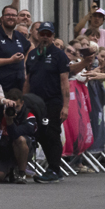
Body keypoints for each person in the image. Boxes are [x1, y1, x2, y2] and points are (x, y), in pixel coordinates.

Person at [24, 22, 70, 183]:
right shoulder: (32, 55)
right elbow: (28, 79)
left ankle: (54, 169)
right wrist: (24, 100)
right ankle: (52, 167)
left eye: (48, 34)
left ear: (53, 36)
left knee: (52, 133)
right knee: (41, 134)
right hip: (35, 102)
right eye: (42, 33)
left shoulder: (59, 55)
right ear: (37, 34)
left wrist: (65, 106)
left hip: (53, 101)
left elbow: (65, 82)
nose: (44, 37)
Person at [0, 89, 37, 184]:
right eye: (12, 106)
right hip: (4, 149)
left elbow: (15, 134)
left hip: (21, 151)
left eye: (17, 106)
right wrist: (2, 102)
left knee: (20, 140)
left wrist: (9, 121)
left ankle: (21, 173)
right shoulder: (4, 110)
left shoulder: (29, 116)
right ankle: (9, 172)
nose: (14, 109)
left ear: (22, 103)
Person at [0, 5, 30, 93]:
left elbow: (31, 47)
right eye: (8, 15)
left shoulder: (18, 35)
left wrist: (24, 63)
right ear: (2, 18)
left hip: (19, 87)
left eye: (14, 15)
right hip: (0, 88)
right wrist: (10, 60)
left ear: (17, 18)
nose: (11, 17)